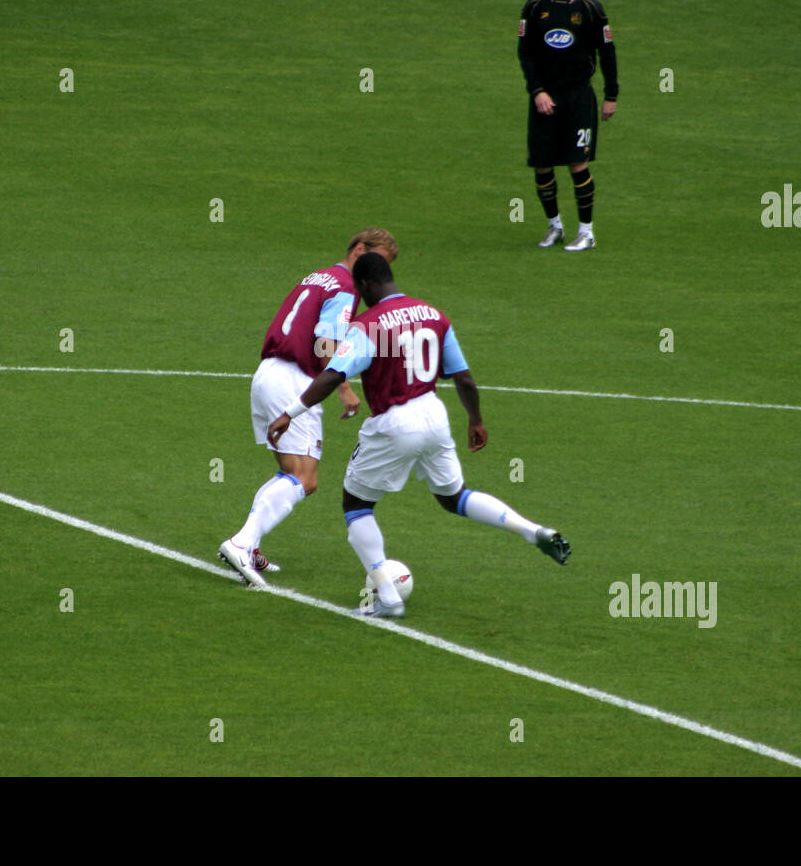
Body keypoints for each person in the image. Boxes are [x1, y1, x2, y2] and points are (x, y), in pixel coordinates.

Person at [267, 253, 571, 618]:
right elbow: (464, 378)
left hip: (395, 423)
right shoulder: (434, 315)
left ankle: (388, 598)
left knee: (357, 505)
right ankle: (530, 529)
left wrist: (290, 413)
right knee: (453, 497)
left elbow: (332, 375)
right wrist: (475, 420)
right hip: (434, 414)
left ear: (364, 286)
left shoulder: (368, 325)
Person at [220, 228, 399, 588]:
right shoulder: (345, 286)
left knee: (290, 470)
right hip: (294, 379)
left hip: (269, 373)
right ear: (360, 250)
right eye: (378, 259)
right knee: (305, 477)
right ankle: (241, 542)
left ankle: (249, 543)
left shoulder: (321, 276)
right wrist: (344, 388)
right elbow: (324, 342)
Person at [518, 0, 618, 252]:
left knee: (577, 163)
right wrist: (537, 91)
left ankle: (586, 232)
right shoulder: (534, 7)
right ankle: (555, 227)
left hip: (578, 98)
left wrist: (610, 95)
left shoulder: (591, 8)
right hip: (544, 99)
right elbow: (526, 53)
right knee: (543, 166)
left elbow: (607, 53)